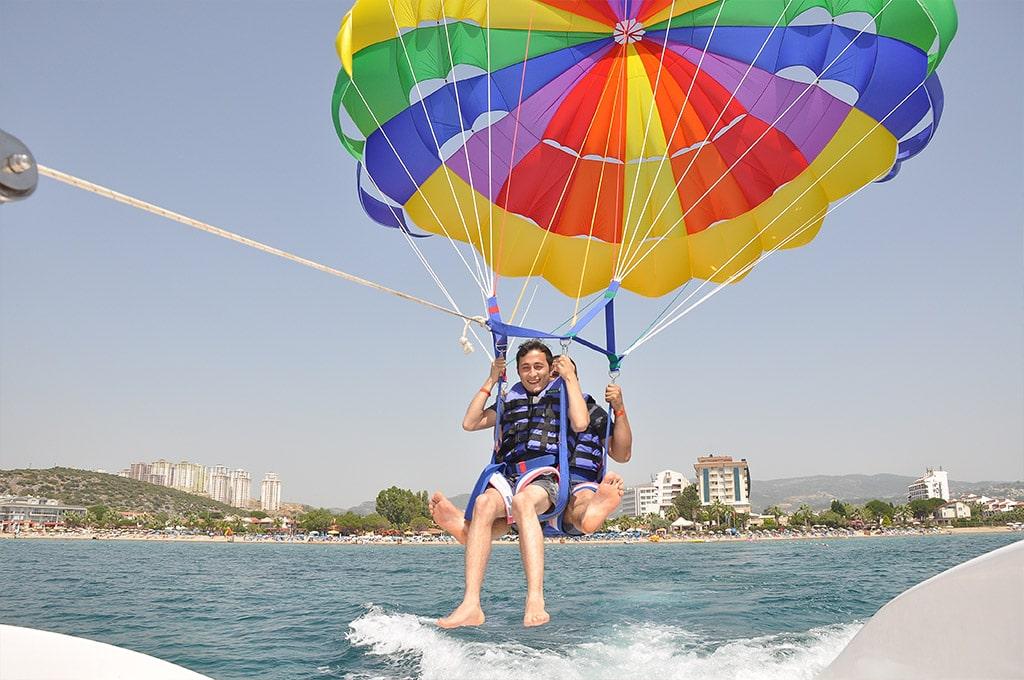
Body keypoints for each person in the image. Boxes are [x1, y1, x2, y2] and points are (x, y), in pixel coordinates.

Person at [434, 340, 588, 629]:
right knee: (482, 504)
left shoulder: (563, 396)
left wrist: (568, 377)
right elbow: (470, 422)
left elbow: (580, 423)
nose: (532, 374)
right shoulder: (509, 400)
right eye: (525, 368)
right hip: (509, 475)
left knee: (523, 503)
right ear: (517, 371)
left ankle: (534, 597)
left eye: (539, 367)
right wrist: (492, 379)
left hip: (545, 475)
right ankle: (470, 604)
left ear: (550, 368)